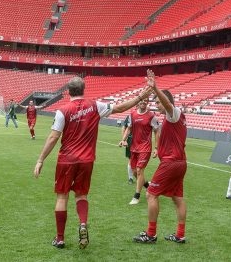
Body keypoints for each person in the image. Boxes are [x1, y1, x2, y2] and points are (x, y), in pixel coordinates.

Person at [34, 76, 152, 250]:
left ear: (68, 91)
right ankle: (82, 224)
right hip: (87, 160)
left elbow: (53, 137)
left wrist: (40, 159)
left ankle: (60, 238)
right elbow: (121, 107)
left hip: (67, 160)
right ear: (84, 89)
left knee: (62, 196)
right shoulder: (96, 106)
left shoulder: (62, 111)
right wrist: (141, 96)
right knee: (81, 195)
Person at [133, 69, 188, 244]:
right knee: (177, 198)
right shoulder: (172, 118)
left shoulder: (174, 114)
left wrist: (155, 88)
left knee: (150, 195)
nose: (156, 104)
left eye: (158, 102)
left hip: (171, 163)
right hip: (180, 162)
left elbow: (168, 104)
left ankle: (151, 234)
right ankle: (180, 234)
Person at [120, 97, 160, 205]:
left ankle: (136, 196)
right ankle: (148, 185)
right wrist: (123, 140)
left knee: (139, 170)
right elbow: (129, 128)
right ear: (138, 102)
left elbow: (156, 132)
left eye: (145, 100)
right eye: (141, 100)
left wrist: (156, 148)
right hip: (134, 147)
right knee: (133, 171)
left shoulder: (151, 116)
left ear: (147, 102)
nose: (143, 102)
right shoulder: (132, 114)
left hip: (145, 148)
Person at [121, 114, 134, 184]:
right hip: (131, 140)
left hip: (142, 142)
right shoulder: (130, 116)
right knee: (131, 160)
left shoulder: (147, 115)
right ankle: (130, 178)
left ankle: (140, 178)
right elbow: (124, 128)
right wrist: (124, 140)